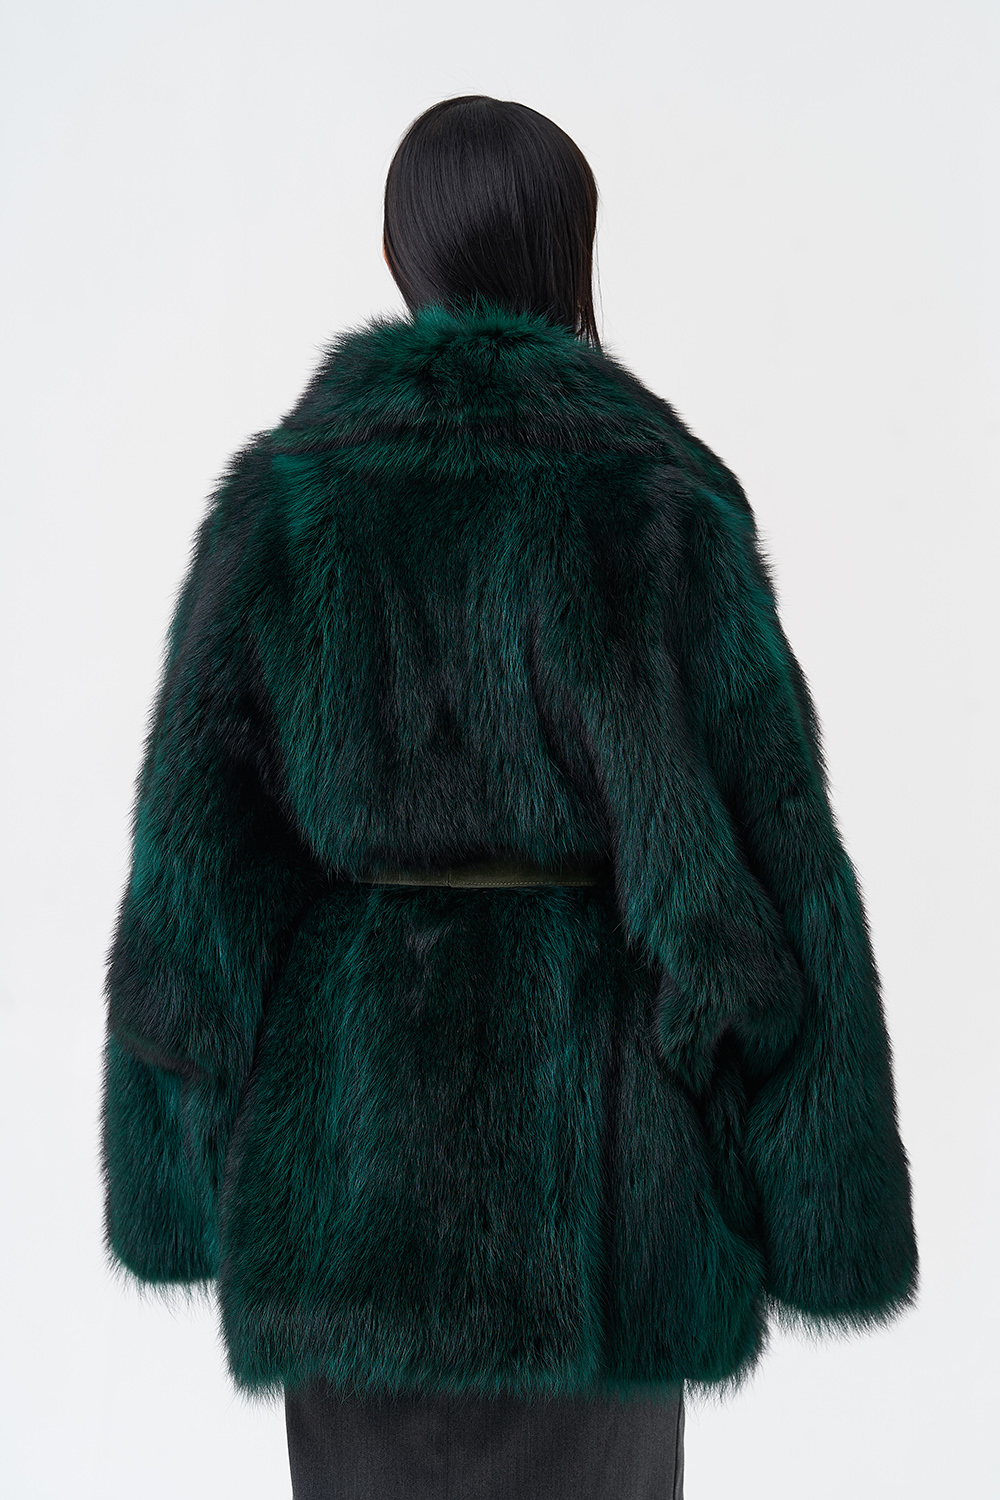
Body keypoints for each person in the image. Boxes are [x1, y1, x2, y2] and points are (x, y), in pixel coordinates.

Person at [99, 95, 918, 1499]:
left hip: (345, 1182)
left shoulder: (286, 504)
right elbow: (776, 870)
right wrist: (814, 1196)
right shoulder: (659, 501)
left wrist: (176, 1181)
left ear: (398, 252)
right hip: (602, 1200)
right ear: (571, 247)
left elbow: (193, 891)